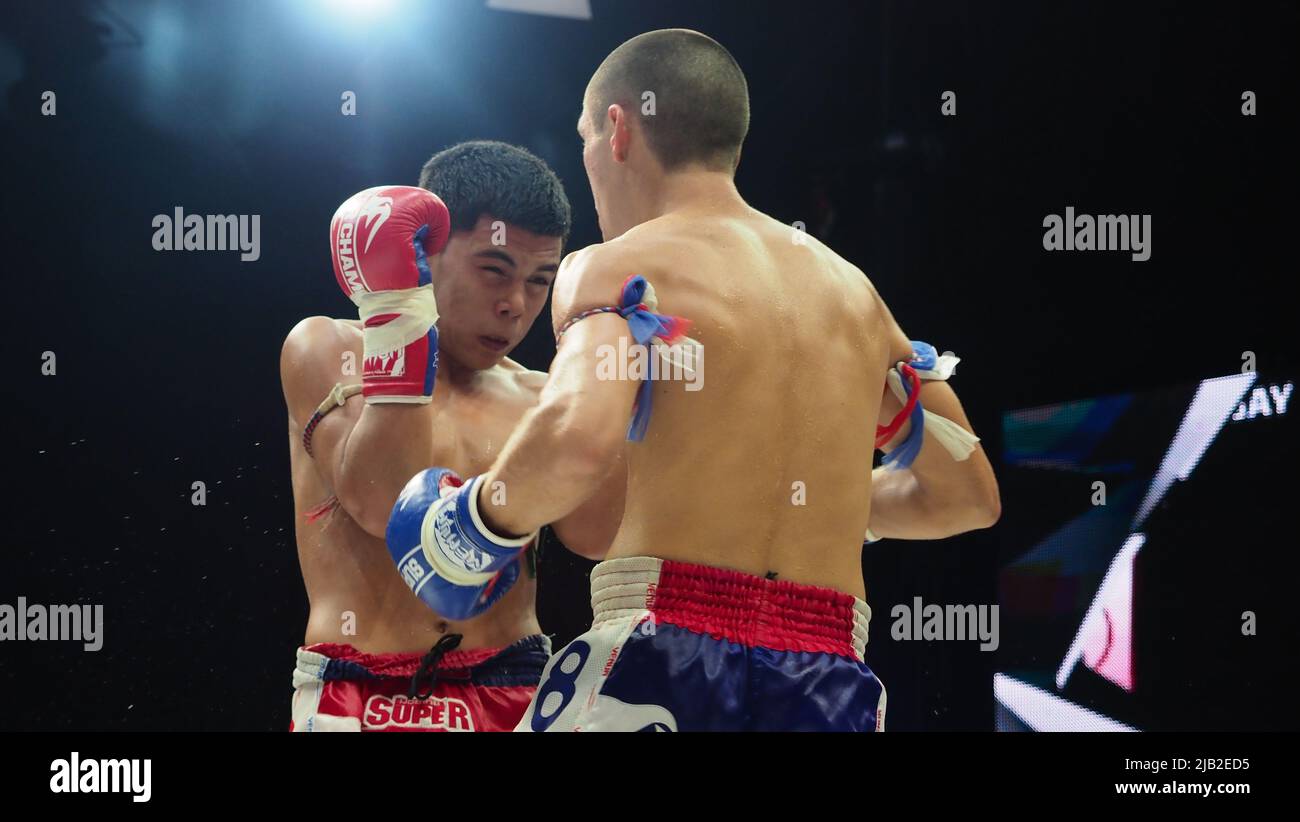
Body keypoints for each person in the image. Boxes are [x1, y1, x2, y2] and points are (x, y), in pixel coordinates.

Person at [385, 30, 999, 732]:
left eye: (585, 140)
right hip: (830, 682)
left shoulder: (620, 265)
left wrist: (473, 525)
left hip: (664, 657)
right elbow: (966, 495)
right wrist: (805, 494)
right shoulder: (858, 298)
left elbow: (577, 439)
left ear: (616, 129)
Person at [280, 141, 621, 731]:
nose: (515, 305)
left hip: (514, 685)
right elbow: (385, 501)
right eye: (494, 270)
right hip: (358, 694)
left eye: (540, 282)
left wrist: (622, 377)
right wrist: (398, 317)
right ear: (424, 251)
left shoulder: (546, 396)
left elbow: (595, 536)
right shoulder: (328, 350)